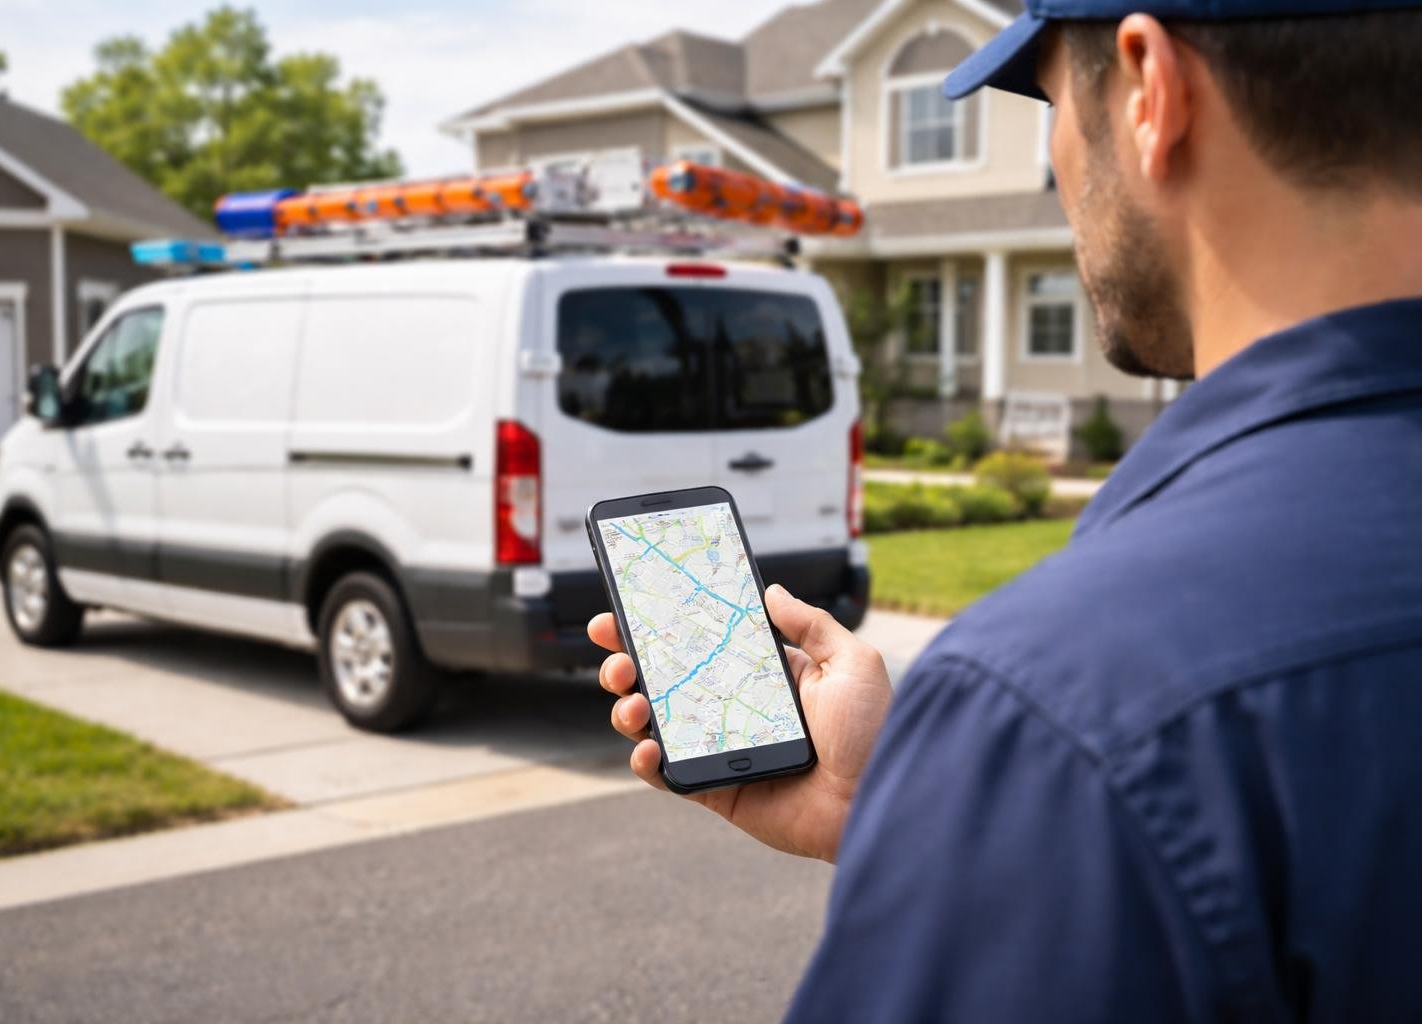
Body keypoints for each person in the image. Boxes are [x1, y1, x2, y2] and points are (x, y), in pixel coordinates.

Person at [589, 0, 1422, 1018]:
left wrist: (989, 807)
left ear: (1150, 91)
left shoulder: (1067, 707)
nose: (1059, 163)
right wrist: (919, 813)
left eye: (1052, 101)